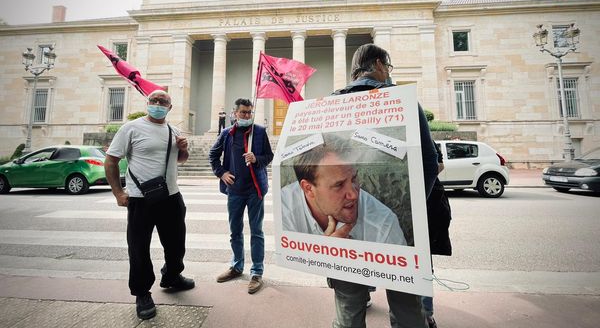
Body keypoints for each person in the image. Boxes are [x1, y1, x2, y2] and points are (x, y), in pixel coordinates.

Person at [329, 43, 440, 328]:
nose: (388, 74)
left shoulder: (330, 104)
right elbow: (429, 163)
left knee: (349, 308)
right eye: (388, 68)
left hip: (344, 236)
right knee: (406, 310)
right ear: (378, 64)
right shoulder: (400, 100)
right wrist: (412, 210)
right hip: (398, 241)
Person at [104, 89, 195, 320]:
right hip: (140, 199)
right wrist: (118, 192)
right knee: (139, 248)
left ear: (170, 107)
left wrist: (183, 149)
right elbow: (111, 160)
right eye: (153, 100)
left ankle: (172, 275)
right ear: (147, 103)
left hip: (171, 197)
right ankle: (142, 293)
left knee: (176, 245)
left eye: (162, 101)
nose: (157, 103)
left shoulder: (173, 129)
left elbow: (180, 160)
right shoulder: (131, 128)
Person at [281, 135, 406, 245]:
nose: (354, 195)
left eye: (354, 178)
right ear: (308, 189)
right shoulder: (283, 210)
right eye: (339, 185)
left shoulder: (383, 224)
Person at [209, 98, 274, 294]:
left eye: (249, 112)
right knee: (235, 231)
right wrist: (222, 173)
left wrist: (257, 159)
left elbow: (269, 156)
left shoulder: (260, 132)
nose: (246, 115)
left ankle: (256, 273)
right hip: (235, 191)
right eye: (243, 112)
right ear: (235, 113)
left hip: (255, 190)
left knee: (256, 231)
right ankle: (237, 266)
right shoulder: (227, 133)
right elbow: (213, 154)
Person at [422, 143, 452, 328]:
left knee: (420, 260)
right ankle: (425, 313)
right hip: (426, 201)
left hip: (425, 204)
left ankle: (425, 312)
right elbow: (438, 165)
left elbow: (437, 165)